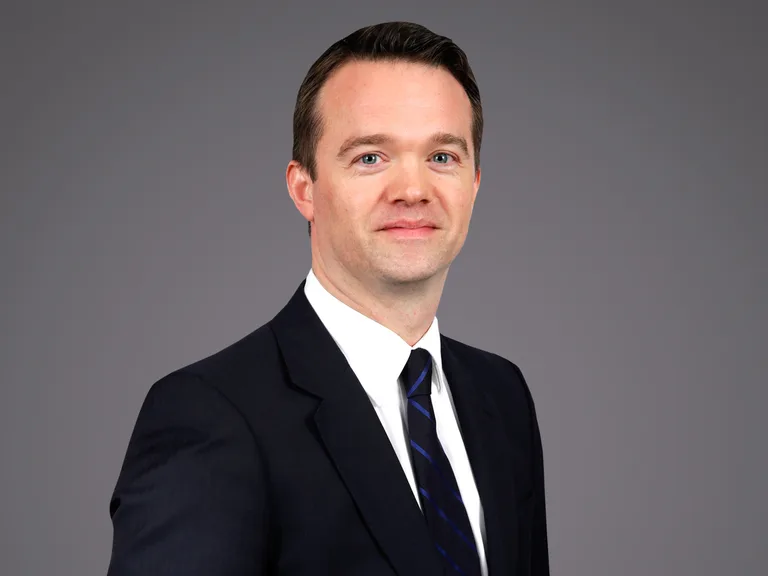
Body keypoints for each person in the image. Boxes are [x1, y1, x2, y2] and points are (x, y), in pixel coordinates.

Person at [106, 21, 550, 576]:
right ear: (304, 189)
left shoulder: (501, 397)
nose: (413, 190)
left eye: (442, 157)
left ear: (475, 184)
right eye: (370, 157)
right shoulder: (209, 415)